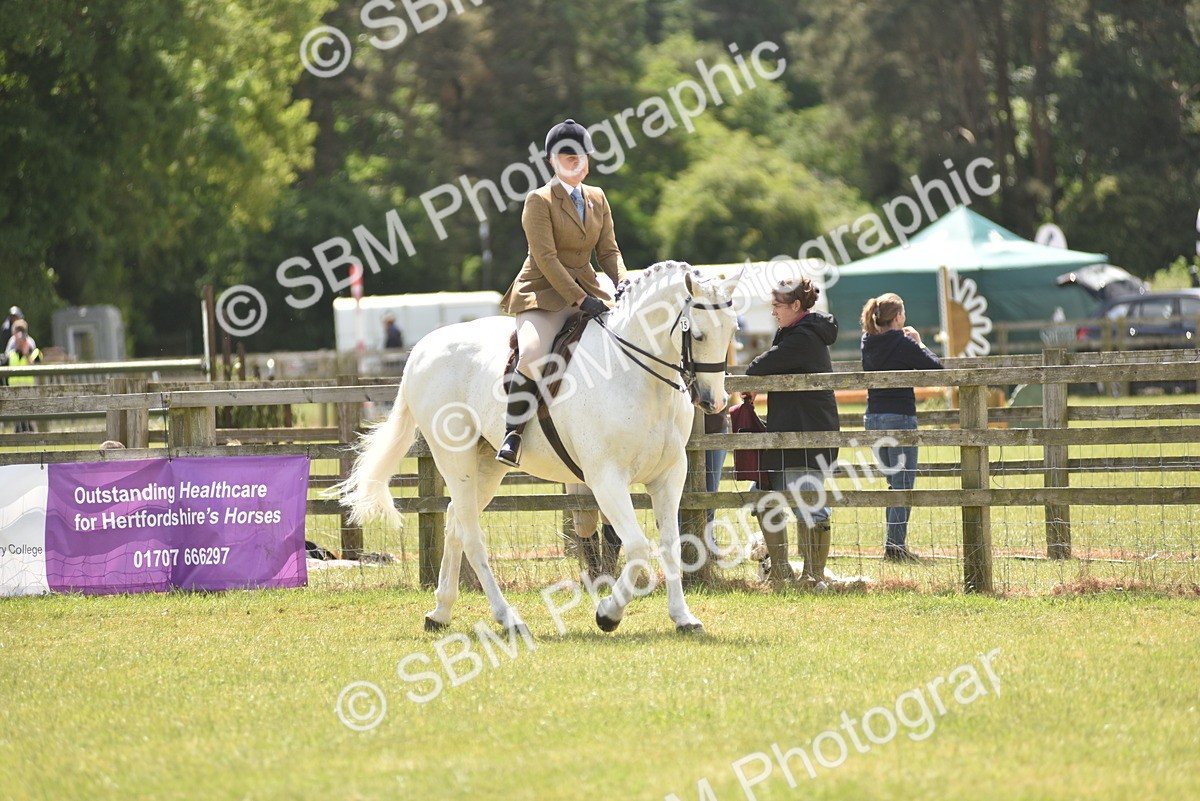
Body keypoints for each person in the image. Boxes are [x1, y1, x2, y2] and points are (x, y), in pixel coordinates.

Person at [496, 118, 628, 467]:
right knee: (533, 355)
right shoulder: (538, 201)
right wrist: (581, 299)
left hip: (589, 286)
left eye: (581, 156)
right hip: (542, 292)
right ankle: (513, 434)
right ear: (552, 161)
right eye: (568, 157)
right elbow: (547, 258)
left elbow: (608, 252)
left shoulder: (598, 198)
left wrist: (623, 283)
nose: (576, 163)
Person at [745, 278, 840, 586]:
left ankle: (813, 576)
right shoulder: (793, 333)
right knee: (762, 495)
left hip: (806, 435)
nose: (773, 312)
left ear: (796, 306)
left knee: (809, 503)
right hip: (787, 434)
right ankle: (782, 571)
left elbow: (761, 365)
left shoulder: (803, 338)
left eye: (777, 305)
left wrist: (752, 380)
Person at [860, 292, 943, 562]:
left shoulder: (867, 342)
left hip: (873, 418)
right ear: (898, 317)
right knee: (903, 485)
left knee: (895, 484)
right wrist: (919, 343)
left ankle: (893, 545)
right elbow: (936, 369)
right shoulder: (903, 342)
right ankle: (895, 548)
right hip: (899, 417)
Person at [4, 319, 43, 433]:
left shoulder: (31, 347)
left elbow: (35, 364)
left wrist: (25, 352)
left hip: (28, 388)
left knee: (28, 418)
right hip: (14, 389)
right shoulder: (11, 349)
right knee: (17, 418)